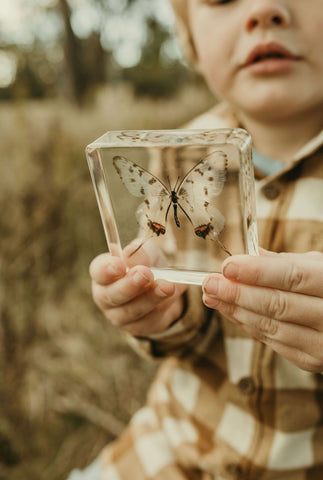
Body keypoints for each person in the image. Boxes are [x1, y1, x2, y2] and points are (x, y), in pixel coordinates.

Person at [68, 0, 323, 478]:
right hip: (170, 447)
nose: (265, 9)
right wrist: (160, 311)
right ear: (192, 45)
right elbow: (174, 293)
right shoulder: (176, 150)